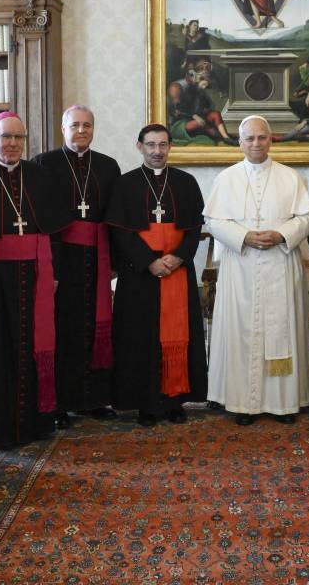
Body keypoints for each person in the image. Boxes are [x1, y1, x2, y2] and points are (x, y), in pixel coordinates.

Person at [0, 111, 65, 449]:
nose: (13, 144)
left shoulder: (40, 176)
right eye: (6, 137)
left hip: (33, 276)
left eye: (19, 137)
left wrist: (54, 274)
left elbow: (54, 233)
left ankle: (36, 421)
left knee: (33, 347)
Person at [203, 115, 309, 425]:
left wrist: (281, 235)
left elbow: (307, 219)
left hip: (280, 263)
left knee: (282, 331)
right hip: (241, 267)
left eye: (261, 138)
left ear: (270, 140)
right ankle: (242, 403)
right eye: (249, 138)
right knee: (241, 333)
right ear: (240, 142)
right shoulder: (226, 178)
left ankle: (284, 403)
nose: (256, 144)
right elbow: (213, 221)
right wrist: (245, 236)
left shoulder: (291, 177)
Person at [105, 124, 207, 426]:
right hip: (139, 276)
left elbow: (194, 230)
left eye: (162, 144)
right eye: (151, 145)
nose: (157, 151)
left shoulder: (186, 183)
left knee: (179, 336)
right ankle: (145, 404)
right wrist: (149, 261)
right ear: (140, 147)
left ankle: (175, 402)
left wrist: (176, 258)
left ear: (170, 147)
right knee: (139, 338)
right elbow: (121, 233)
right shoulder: (125, 185)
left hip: (177, 270)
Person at [34, 105, 121, 426]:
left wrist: (113, 262)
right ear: (63, 127)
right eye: (75, 125)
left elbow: (114, 215)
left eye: (87, 125)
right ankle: (60, 404)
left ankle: (95, 400)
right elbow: (40, 217)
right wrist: (50, 266)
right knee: (62, 330)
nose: (81, 130)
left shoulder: (108, 166)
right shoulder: (43, 164)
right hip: (60, 259)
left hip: (97, 258)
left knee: (96, 328)